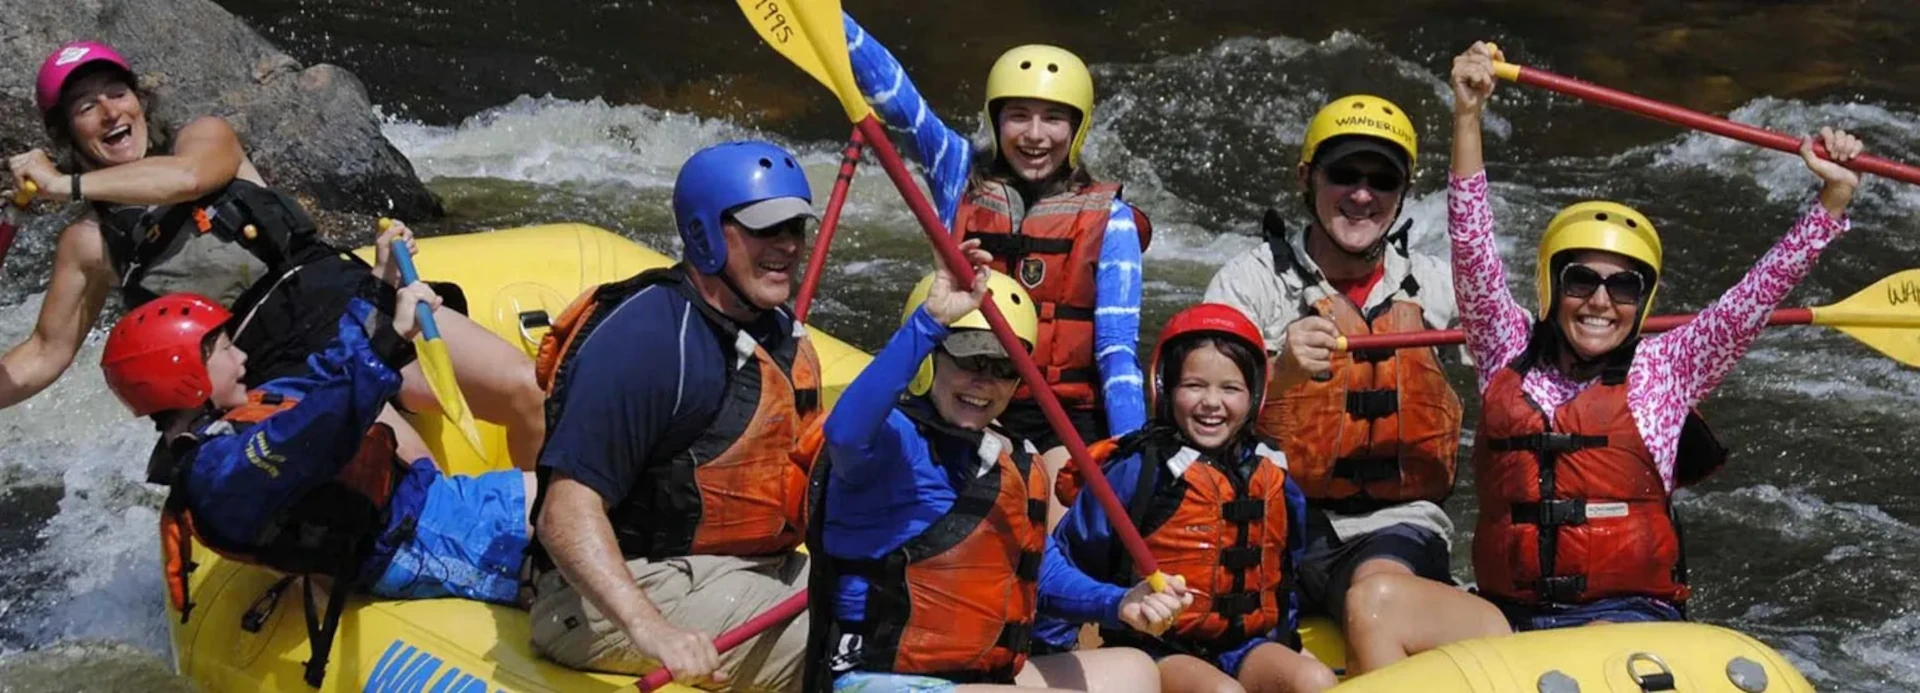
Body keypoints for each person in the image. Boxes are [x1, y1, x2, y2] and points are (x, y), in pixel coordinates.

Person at [1448, 41, 1864, 630]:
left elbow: (1757, 295)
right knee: (1378, 603)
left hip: (1624, 614)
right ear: (1549, 286)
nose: (1600, 301)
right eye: (1581, 280)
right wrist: (1468, 114)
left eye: (1623, 288)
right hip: (1507, 613)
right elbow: (1470, 242)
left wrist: (1832, 200)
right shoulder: (1504, 347)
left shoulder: (1671, 369)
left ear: (1642, 303)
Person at [3, 40, 545, 469]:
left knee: (526, 390)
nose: (107, 112)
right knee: (415, 473)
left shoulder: (204, 138)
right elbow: (43, 355)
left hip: (348, 303)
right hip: (270, 369)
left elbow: (188, 179)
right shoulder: (90, 242)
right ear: (66, 133)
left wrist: (63, 185)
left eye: (115, 93)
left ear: (139, 101)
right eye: (84, 106)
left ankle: (549, 553)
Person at [1202, 95, 1508, 671]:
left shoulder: (1438, 287)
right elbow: (1190, 413)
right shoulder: (1248, 283)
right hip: (1270, 516)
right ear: (1306, 178)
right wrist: (1280, 372)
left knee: (1375, 596)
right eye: (1343, 174)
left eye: (1382, 180)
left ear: (1402, 193)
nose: (1362, 195)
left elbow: (1515, 352)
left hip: (1392, 524)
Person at [102, 285, 532, 687]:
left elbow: (326, 372)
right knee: (571, 517)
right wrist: (392, 339)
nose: (243, 357)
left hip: (428, 507)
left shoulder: (238, 421)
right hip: (414, 542)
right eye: (227, 349)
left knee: (566, 494)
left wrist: (377, 287)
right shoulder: (221, 472)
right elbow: (318, 429)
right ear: (188, 379)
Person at [806, 243, 1187, 693]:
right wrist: (930, 321)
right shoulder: (891, 440)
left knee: (1135, 670)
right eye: (970, 359)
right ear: (930, 355)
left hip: (975, 677)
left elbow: (1039, 573)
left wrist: (1120, 602)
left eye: (1004, 367)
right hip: (879, 677)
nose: (984, 382)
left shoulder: (1012, 458)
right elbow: (846, 433)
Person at [527, 140, 819, 690]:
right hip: (615, 594)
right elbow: (564, 514)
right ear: (706, 234)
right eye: (766, 229)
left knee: (909, 613)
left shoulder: (776, 330)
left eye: (795, 229)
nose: (787, 246)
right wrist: (653, 631)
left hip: (746, 566)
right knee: (844, 647)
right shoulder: (648, 341)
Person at [841, 12, 1151, 526]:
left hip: (1059, 418)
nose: (1035, 135)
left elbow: (1117, 353)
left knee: (1057, 531)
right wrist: (835, 22)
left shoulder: (1111, 221)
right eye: (1018, 116)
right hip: (964, 389)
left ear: (1078, 127)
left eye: (1054, 118)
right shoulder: (956, 173)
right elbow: (895, 95)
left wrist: (1133, 454)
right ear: (994, 119)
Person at [1051, 304, 1338, 692]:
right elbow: (1070, 556)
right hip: (1155, 647)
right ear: (1165, 390)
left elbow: (1285, 574)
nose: (1212, 402)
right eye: (1194, 385)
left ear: (1254, 396)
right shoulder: (1138, 471)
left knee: (1315, 680)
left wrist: (1290, 645)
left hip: (1244, 644)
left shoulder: (1273, 477)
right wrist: (1049, 648)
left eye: (1230, 388)